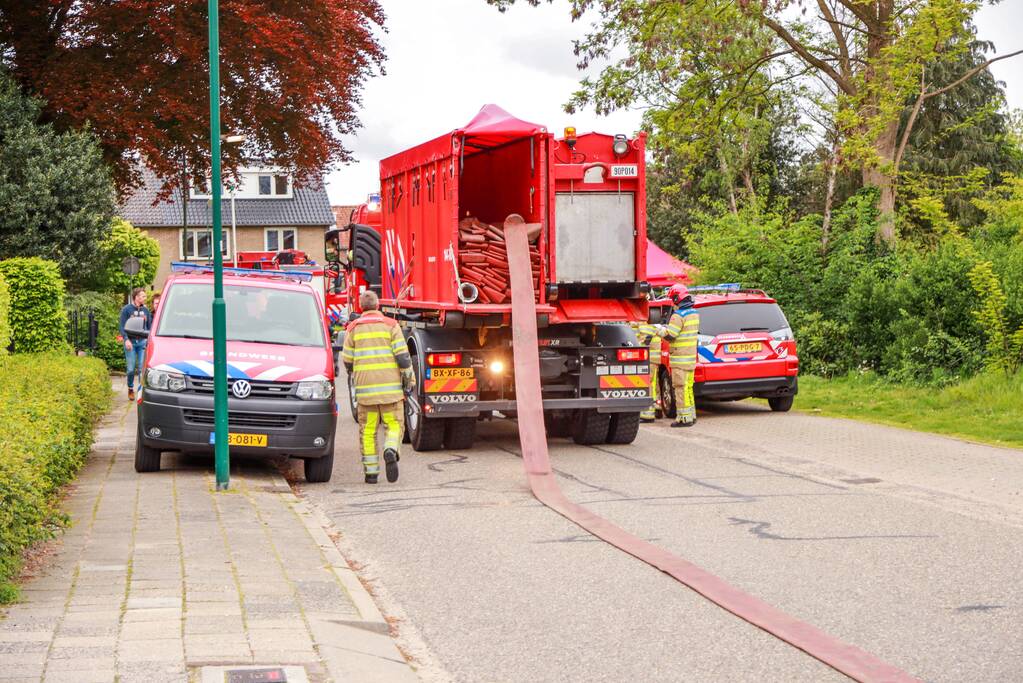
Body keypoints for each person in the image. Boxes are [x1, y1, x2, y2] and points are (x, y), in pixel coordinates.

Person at [340, 290, 415, 484]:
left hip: (365, 394)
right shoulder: (391, 325)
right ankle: (390, 449)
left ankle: (371, 474)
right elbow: (403, 358)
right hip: (390, 393)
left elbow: (347, 360)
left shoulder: (353, 328)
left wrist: (356, 374)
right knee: (394, 425)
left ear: (361, 307)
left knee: (368, 431)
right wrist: (409, 381)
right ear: (378, 305)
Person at [660, 284, 700, 427]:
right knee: (688, 387)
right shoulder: (694, 314)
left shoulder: (678, 316)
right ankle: (691, 415)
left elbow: (671, 335)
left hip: (679, 360)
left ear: (677, 298)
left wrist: (659, 330)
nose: (672, 302)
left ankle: (683, 418)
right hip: (690, 360)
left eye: (673, 299)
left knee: (680, 388)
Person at [119, 288, 152, 401]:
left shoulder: (146, 311)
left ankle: (140, 391)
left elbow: (149, 327)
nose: (145, 298)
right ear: (136, 297)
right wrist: (126, 339)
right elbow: (122, 327)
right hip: (131, 343)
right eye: (143, 296)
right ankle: (130, 388)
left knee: (141, 369)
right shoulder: (126, 310)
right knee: (130, 369)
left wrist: (149, 340)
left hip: (142, 343)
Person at [631, 320, 664, 422]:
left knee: (647, 383)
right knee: (654, 383)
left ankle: (648, 413)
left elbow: (644, 339)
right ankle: (657, 407)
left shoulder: (642, 321)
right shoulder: (653, 322)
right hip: (652, 358)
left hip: (647, 358)